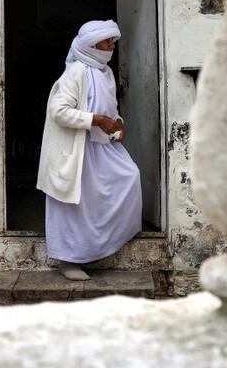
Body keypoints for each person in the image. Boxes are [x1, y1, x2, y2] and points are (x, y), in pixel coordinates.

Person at [36, 20, 142, 281]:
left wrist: (118, 125)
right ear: (92, 45)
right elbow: (58, 111)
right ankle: (67, 260)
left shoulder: (105, 72)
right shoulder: (76, 72)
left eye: (112, 42)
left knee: (129, 177)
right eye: (106, 42)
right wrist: (96, 120)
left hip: (101, 147)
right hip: (76, 150)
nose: (111, 47)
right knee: (73, 205)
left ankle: (101, 246)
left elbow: (111, 109)